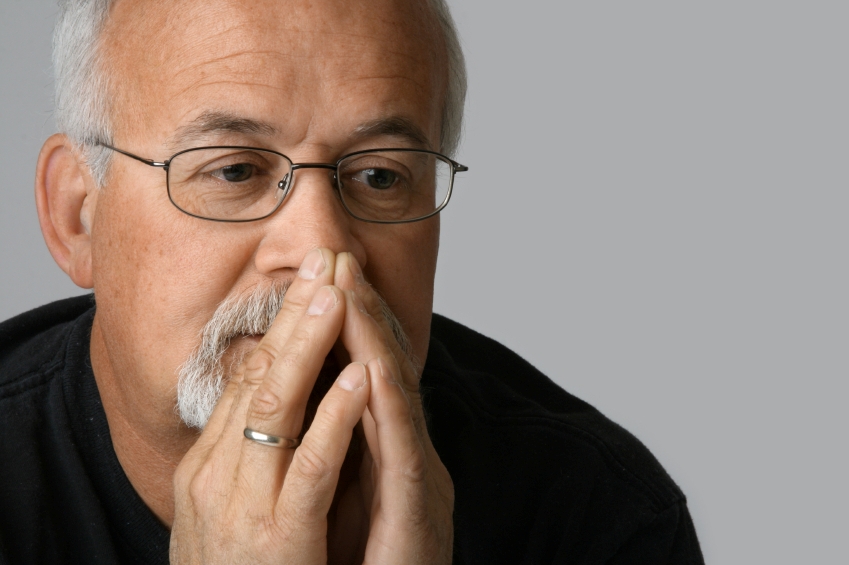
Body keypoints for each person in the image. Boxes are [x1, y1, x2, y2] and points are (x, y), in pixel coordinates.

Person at [0, 0, 704, 563]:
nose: (323, 250)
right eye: (234, 170)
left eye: (379, 176)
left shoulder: (595, 515)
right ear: (77, 217)